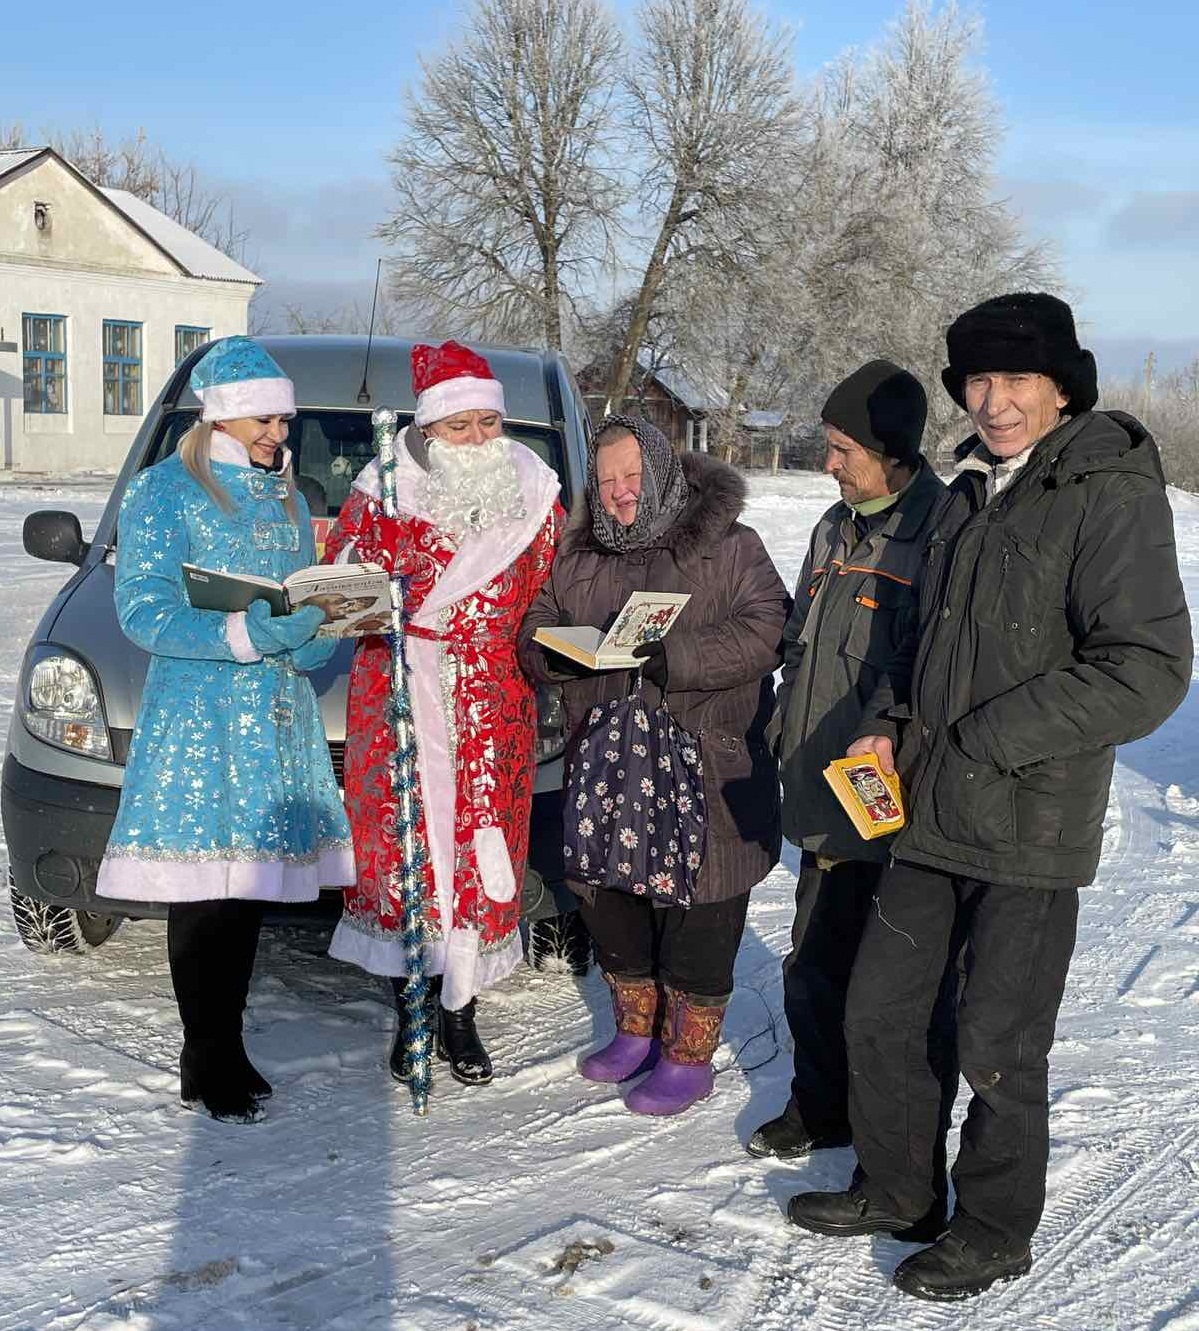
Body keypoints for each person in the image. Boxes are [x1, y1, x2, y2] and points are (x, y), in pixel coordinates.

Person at [787, 294, 1193, 1300]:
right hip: (927, 811)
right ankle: (898, 1190)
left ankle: (994, 1227)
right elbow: (921, 640)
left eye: (1015, 379)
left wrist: (982, 738)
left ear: (1061, 388)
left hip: (1026, 819)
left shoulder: (1105, 490)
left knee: (998, 1045)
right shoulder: (968, 492)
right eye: (976, 380)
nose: (993, 401)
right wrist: (887, 719)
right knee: (881, 1012)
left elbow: (1146, 667)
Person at [96, 336, 356, 1124]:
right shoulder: (162, 490)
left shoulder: (288, 498)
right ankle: (203, 1054)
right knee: (203, 896)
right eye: (266, 420)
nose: (280, 433)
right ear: (224, 417)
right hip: (197, 720)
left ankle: (229, 1044)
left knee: (245, 894)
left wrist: (314, 634)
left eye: (283, 420)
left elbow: (295, 600)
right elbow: (142, 610)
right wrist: (244, 632)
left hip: (274, 719)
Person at [518, 414, 790, 1116]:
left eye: (632, 475)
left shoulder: (729, 546)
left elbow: (769, 627)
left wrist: (682, 658)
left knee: (699, 907)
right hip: (604, 764)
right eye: (606, 479)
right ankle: (635, 1030)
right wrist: (551, 654)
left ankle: (687, 1055)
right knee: (611, 904)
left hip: (703, 761)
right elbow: (536, 624)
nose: (619, 491)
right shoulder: (578, 555)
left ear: (665, 472)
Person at [326, 340, 564, 1087]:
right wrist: (367, 581)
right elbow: (337, 587)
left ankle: (462, 1011)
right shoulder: (382, 489)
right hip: (401, 691)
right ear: (428, 428)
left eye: (488, 423)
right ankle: (415, 1009)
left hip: (495, 699)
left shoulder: (535, 492)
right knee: (410, 852)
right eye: (459, 426)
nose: (477, 438)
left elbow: (557, 591)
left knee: (480, 852)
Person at [747, 360, 951, 1168]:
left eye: (843, 449)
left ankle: (888, 1142)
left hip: (893, 801)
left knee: (890, 988)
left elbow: (925, 670)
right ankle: (820, 1105)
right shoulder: (834, 528)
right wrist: (779, 731)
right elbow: (800, 644)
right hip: (823, 793)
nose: (827, 463)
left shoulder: (939, 532)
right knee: (813, 965)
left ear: (891, 451)